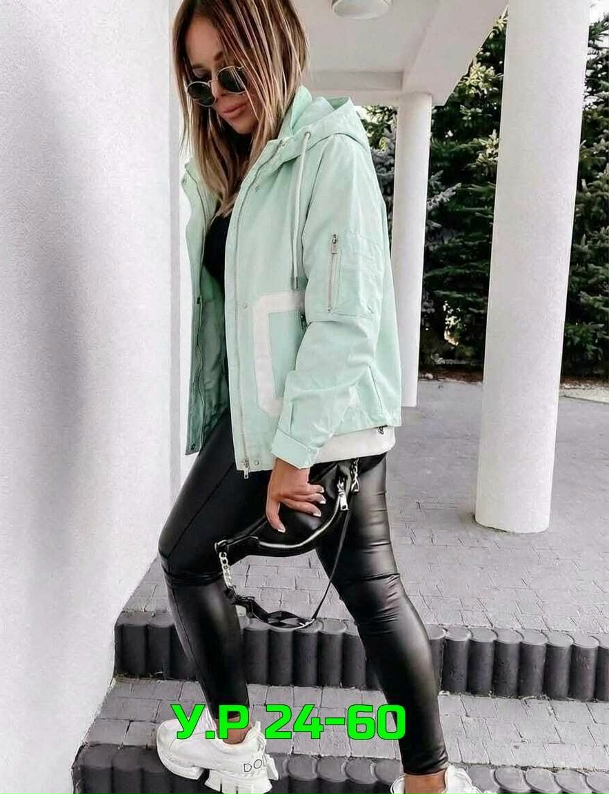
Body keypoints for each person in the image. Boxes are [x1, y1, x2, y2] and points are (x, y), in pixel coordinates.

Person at [156, 3, 495, 794]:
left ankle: (236, 744)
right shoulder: (240, 162)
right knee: (375, 594)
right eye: (200, 82)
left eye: (231, 73)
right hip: (311, 420)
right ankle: (429, 782)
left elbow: (345, 320)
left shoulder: (326, 152)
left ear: (274, 49)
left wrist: (290, 456)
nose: (218, 96)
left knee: (185, 559)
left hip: (297, 424)